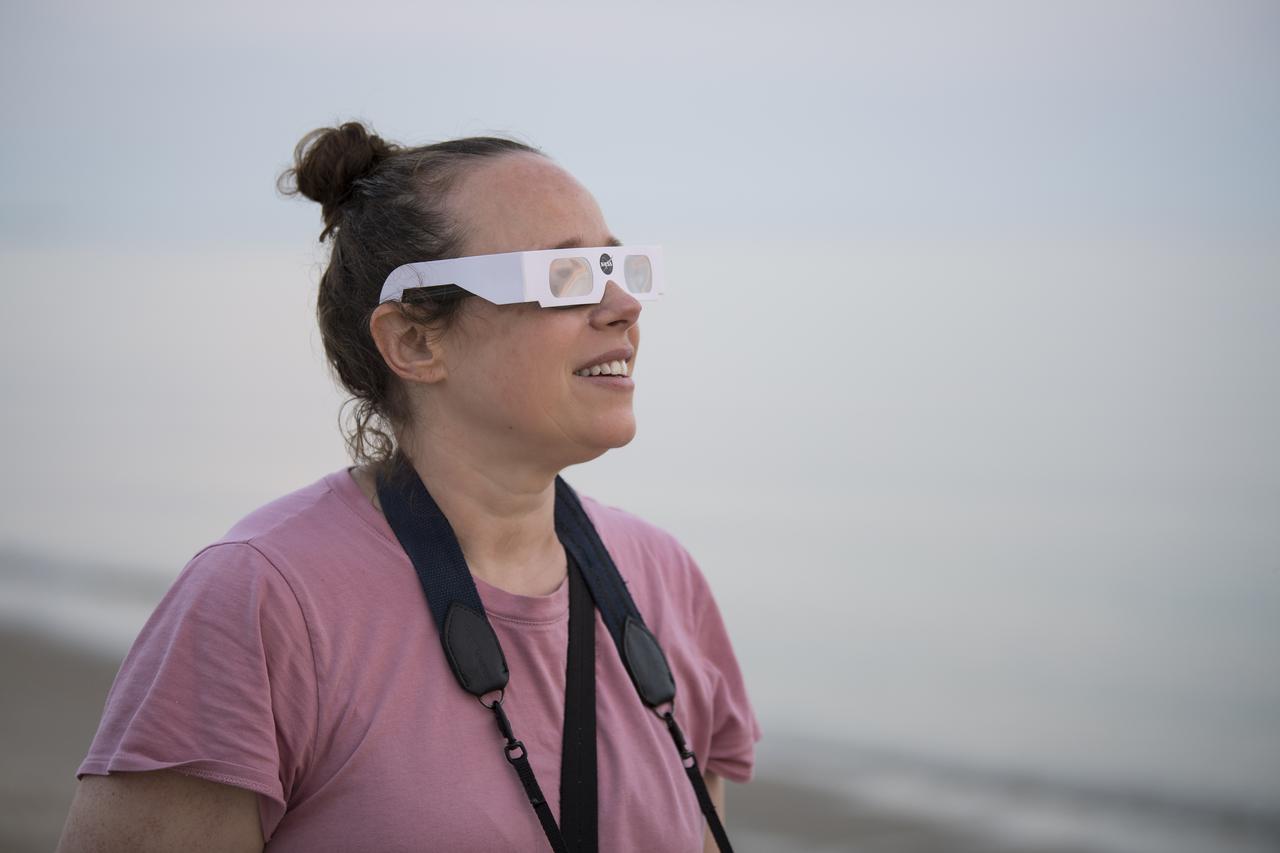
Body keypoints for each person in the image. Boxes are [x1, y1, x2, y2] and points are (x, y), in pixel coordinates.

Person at [56, 122, 761, 852]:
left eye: (618, 265)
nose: (624, 305)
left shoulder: (664, 579)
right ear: (416, 342)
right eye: (564, 276)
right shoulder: (263, 600)